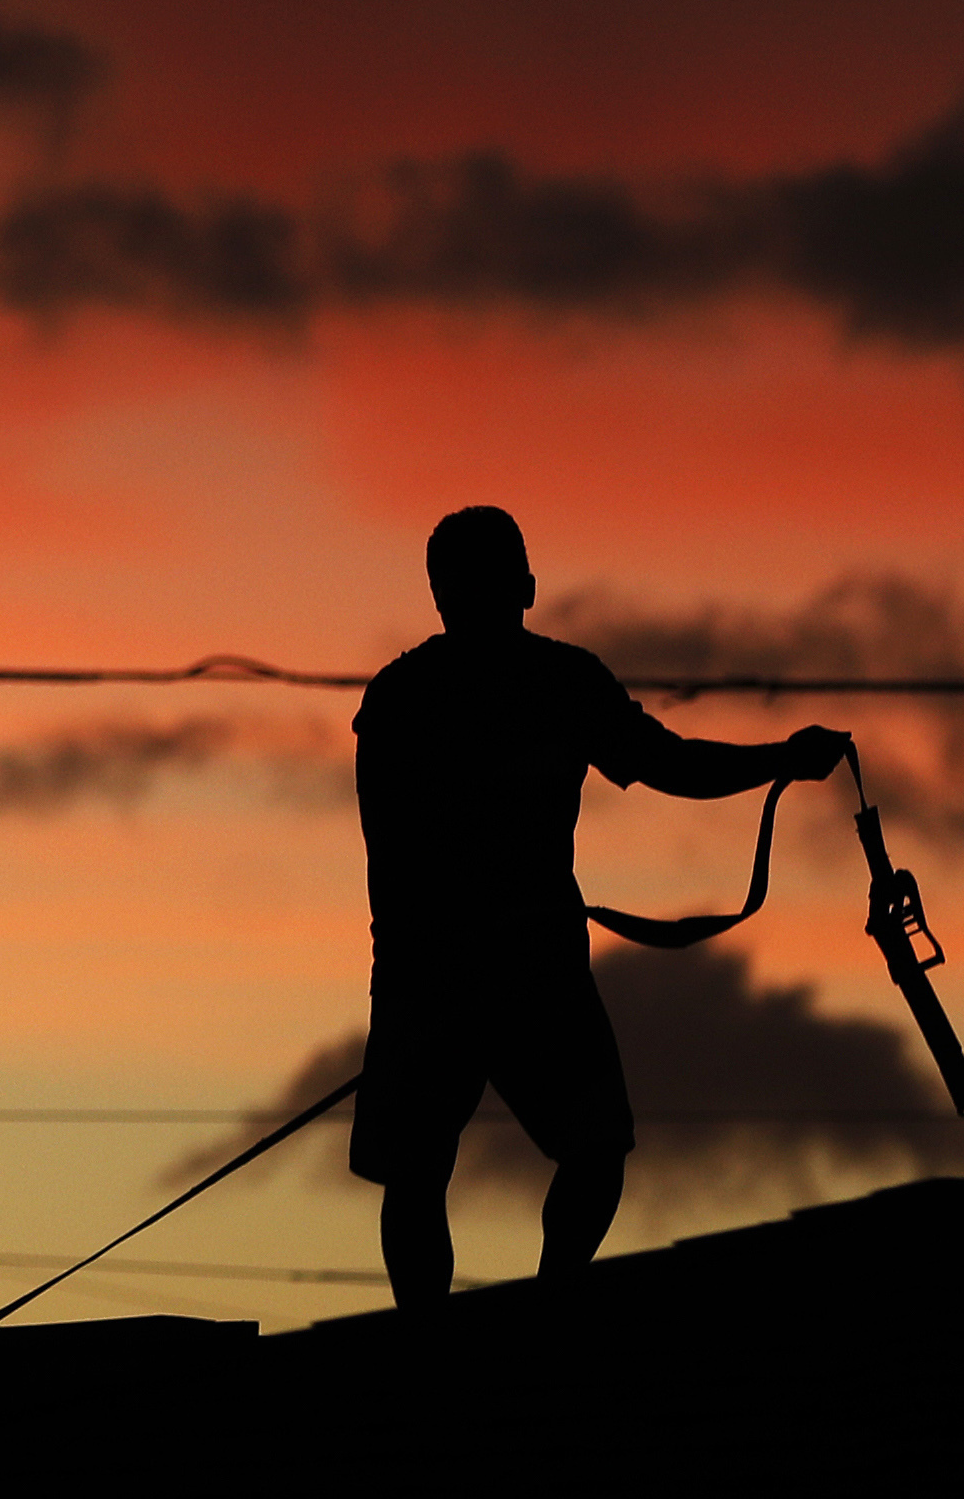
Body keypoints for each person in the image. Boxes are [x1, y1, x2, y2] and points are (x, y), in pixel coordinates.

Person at [352, 504, 845, 1308]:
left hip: (445, 970)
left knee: (465, 1164)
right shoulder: (539, 683)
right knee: (562, 1151)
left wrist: (779, 760)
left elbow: (391, 858)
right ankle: (537, 1310)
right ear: (525, 585)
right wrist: (782, 759)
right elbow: (668, 764)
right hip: (492, 970)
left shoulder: (415, 693)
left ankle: (472, 1325)